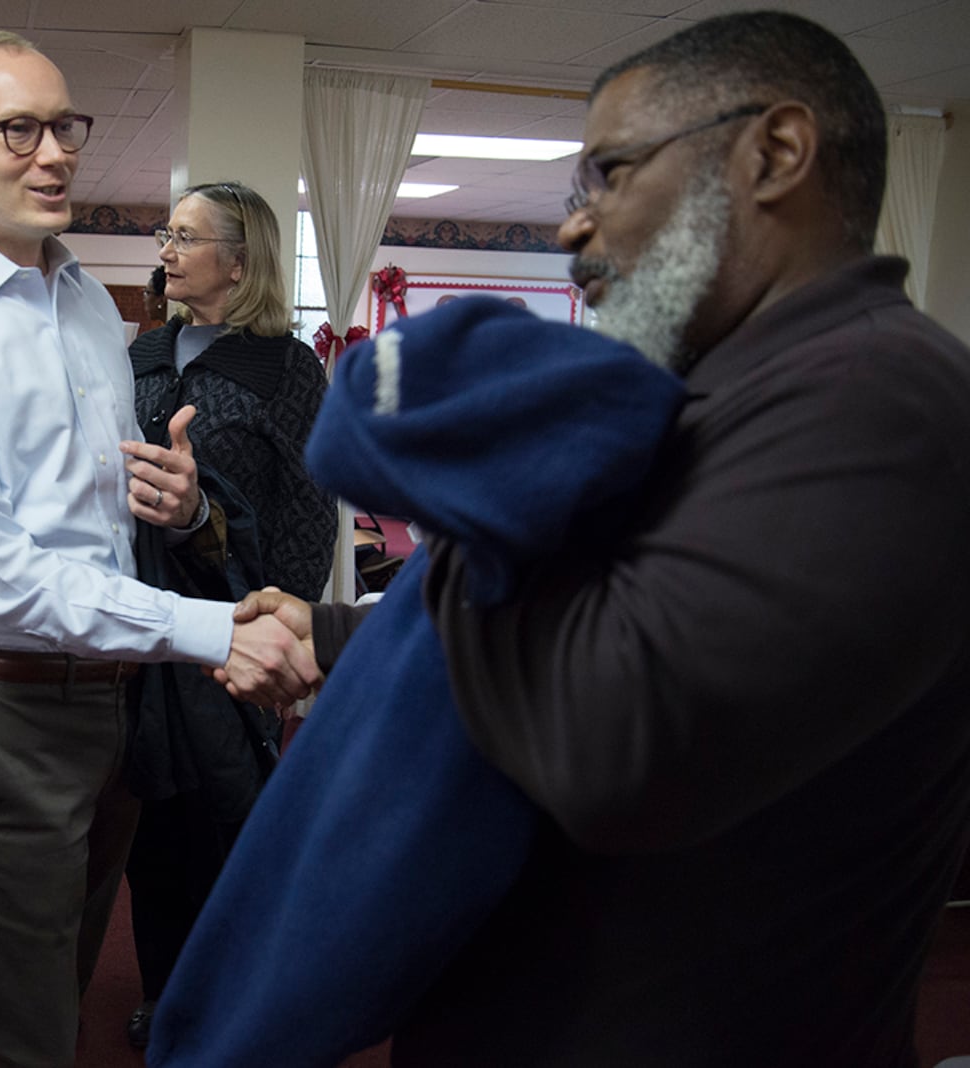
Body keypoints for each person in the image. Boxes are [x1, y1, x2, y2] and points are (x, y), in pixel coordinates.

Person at [201, 11, 970, 1066]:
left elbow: (616, 741)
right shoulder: (729, 389)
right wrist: (343, 633)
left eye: (611, 174)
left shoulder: (878, 398)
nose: (574, 228)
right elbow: (634, 603)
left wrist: (471, 532)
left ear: (774, 152)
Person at [0, 29, 317, 1068]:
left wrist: (182, 510)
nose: (54, 152)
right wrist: (212, 631)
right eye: (18, 128)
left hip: (122, 692)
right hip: (9, 704)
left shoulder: (90, 305)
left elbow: (106, 515)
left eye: (65, 126)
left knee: (71, 970)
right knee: (23, 1023)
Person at [123, 179, 335, 1048]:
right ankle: (165, 991)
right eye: (165, 234)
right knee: (152, 822)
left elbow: (310, 507)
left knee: (231, 820)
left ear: (239, 261)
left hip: (238, 623)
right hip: (141, 624)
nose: (165, 250)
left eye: (184, 236)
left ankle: (236, 997)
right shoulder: (142, 353)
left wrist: (283, 632)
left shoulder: (285, 367)